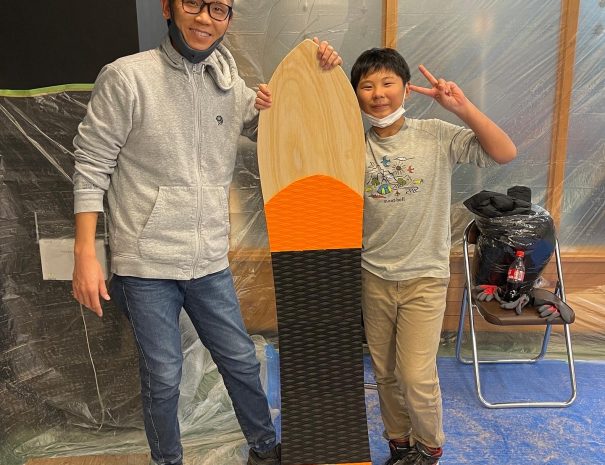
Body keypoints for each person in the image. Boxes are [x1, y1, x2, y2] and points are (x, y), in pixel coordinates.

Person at [71, 1, 341, 464]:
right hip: (146, 264)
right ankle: (167, 460)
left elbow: (280, 130)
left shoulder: (231, 87)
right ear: (168, 7)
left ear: (228, 18)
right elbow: (91, 163)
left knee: (240, 360)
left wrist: (319, 76)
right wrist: (85, 254)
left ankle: (265, 450)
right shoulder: (127, 77)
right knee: (164, 375)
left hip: (209, 261)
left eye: (219, 9)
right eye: (193, 3)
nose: (205, 18)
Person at [350, 48, 517, 465]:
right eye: (366, 85)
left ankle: (429, 448)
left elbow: (504, 152)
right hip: (374, 276)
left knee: (415, 375)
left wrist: (462, 108)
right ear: (355, 95)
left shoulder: (436, 135)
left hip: (424, 277)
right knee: (385, 373)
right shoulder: (352, 146)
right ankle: (400, 443)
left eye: (387, 82)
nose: (378, 93)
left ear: (406, 89)